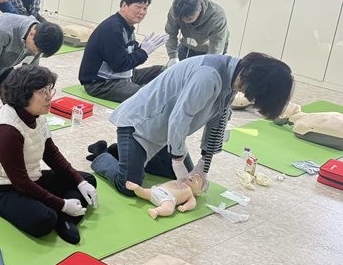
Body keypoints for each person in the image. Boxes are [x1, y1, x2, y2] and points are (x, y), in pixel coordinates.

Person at [88, 52, 293, 197]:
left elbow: (219, 120)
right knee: (129, 185)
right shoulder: (209, 76)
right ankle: (102, 155)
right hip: (138, 125)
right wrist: (177, 159)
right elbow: (179, 118)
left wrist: (204, 163)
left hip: (164, 134)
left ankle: (124, 154)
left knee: (180, 177)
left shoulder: (234, 78)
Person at [0, 65, 98, 245]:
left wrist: (80, 181)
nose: (49, 96)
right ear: (23, 94)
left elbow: (52, 155)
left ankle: (62, 216)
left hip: (30, 177)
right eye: (42, 91)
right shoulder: (6, 130)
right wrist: (62, 204)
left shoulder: (36, 114)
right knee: (42, 220)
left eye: (50, 89)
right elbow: (20, 182)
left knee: (88, 180)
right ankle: (62, 216)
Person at [78, 0, 167, 103]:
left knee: (164, 70)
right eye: (138, 7)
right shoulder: (113, 29)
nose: (142, 12)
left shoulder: (126, 26)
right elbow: (120, 65)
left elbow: (127, 58)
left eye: (145, 8)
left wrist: (140, 49)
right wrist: (143, 52)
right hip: (102, 83)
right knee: (146, 95)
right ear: (124, 6)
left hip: (122, 76)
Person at [165, 0, 229, 65]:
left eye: (189, 19)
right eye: (182, 19)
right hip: (187, 44)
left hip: (208, 49)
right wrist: (173, 57)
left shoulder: (217, 17)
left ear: (200, 8)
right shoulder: (175, 10)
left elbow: (215, 51)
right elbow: (170, 34)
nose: (185, 21)